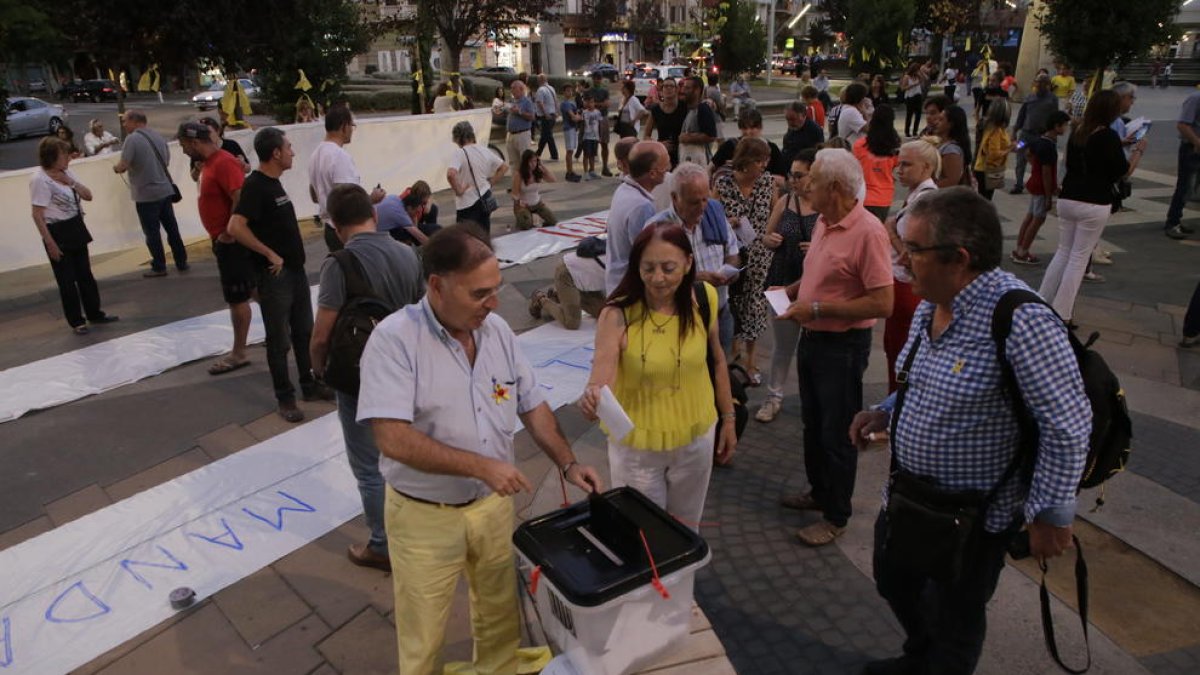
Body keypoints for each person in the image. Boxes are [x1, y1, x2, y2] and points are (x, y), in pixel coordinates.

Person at [852, 187, 1091, 675]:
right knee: (893, 579)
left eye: (912, 249)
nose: (901, 259)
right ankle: (919, 656)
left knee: (956, 619)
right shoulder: (928, 304)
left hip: (973, 517)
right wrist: (886, 410)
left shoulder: (1021, 321)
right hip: (907, 497)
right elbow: (922, 381)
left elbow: (1067, 426)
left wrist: (1052, 515)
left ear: (958, 258)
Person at [358, 225, 601, 674]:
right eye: (479, 294)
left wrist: (568, 464)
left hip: (490, 507)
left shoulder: (497, 333)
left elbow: (532, 404)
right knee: (423, 629)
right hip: (423, 515)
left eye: (496, 290)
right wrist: (482, 466)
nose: (492, 304)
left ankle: (498, 668)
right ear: (437, 285)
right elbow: (391, 437)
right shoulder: (394, 341)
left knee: (497, 611)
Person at [580, 222, 737, 522]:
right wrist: (593, 398)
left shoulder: (704, 298)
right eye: (648, 268)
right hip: (638, 448)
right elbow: (601, 380)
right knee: (643, 535)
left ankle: (683, 573)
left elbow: (717, 361)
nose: (658, 278)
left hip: (696, 437)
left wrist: (728, 418)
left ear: (688, 263)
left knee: (686, 528)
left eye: (668, 268)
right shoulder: (617, 314)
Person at [777, 148, 893, 547]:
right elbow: (819, 272)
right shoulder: (827, 221)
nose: (807, 190)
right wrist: (792, 291)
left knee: (838, 431)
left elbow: (883, 302)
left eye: (815, 184)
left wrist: (819, 307)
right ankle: (819, 491)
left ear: (838, 188)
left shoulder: (868, 231)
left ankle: (836, 515)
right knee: (814, 424)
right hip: (814, 337)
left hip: (842, 346)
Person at [310, 184, 424, 573]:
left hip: (360, 377)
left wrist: (318, 369)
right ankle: (418, 531)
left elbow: (322, 333)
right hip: (406, 371)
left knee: (369, 465)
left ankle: (382, 545)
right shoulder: (408, 253)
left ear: (337, 226)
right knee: (407, 456)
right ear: (373, 215)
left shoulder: (338, 264)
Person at [228, 127, 333, 423]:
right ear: (275, 153)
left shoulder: (274, 184)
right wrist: (268, 253)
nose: (292, 152)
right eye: (288, 147)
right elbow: (235, 227)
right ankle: (285, 397)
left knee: (303, 332)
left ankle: (309, 385)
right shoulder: (256, 186)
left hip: (295, 272)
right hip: (276, 276)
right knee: (279, 339)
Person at [1038, 91, 1143, 324]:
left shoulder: (1078, 130)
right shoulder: (1108, 136)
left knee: (1063, 251)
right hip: (1094, 201)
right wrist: (1138, 152)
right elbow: (1122, 171)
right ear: (1111, 111)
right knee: (1079, 257)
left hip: (1069, 196)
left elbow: (1070, 162)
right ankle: (1062, 312)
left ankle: (1041, 301)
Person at [177, 122, 254, 375]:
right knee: (250, 291)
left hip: (230, 242)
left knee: (238, 297)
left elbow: (239, 195)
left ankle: (240, 351)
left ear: (195, 143)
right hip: (223, 240)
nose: (184, 151)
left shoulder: (223, 162)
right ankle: (281, 331)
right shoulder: (209, 164)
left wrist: (230, 233)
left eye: (184, 146)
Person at [646, 162, 741, 351]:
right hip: (679, 319)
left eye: (705, 199)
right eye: (693, 202)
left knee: (720, 371)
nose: (702, 207)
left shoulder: (715, 213)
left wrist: (730, 271)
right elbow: (649, 280)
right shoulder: (657, 229)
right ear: (674, 198)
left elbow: (732, 253)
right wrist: (696, 279)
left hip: (719, 314)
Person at [30, 137, 118, 335]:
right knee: (67, 280)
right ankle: (76, 320)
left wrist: (70, 182)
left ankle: (95, 312)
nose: (68, 159)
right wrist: (50, 242)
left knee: (85, 274)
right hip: (57, 230)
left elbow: (88, 195)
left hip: (75, 226)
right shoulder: (39, 179)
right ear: (52, 157)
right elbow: (37, 215)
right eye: (64, 155)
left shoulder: (66, 173)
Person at [756, 150, 819, 423]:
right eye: (791, 174)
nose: (792, 180)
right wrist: (770, 240)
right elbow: (766, 235)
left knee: (814, 345)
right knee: (783, 346)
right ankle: (774, 396)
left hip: (812, 284)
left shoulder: (824, 206)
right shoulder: (786, 201)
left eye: (798, 175)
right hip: (781, 280)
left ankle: (814, 397)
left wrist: (816, 249)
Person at [716, 138, 777, 385]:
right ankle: (733, 356)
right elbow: (711, 214)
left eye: (765, 161)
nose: (763, 166)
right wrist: (726, 222)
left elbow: (776, 213)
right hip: (732, 254)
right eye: (759, 161)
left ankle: (752, 361)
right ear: (746, 161)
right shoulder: (723, 183)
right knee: (732, 304)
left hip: (760, 255)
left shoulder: (767, 183)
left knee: (754, 307)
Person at [881, 138, 940, 392]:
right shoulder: (919, 196)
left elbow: (910, 255)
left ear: (926, 168)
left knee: (901, 355)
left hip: (907, 287)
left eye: (906, 165)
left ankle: (896, 411)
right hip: (902, 286)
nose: (899, 170)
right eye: (898, 164)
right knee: (896, 352)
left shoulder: (925, 201)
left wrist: (891, 230)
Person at [113, 110, 188, 277]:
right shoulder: (157, 136)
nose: (123, 125)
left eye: (125, 121)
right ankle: (181, 261)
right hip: (165, 190)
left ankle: (159, 265)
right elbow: (166, 161)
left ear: (134, 121)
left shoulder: (132, 139)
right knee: (172, 228)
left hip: (146, 193)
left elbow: (123, 165)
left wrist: (116, 168)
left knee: (152, 232)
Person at [308, 104, 386, 253]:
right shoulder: (338, 156)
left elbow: (314, 195)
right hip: (347, 231)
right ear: (344, 126)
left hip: (331, 228)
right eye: (352, 125)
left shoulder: (315, 154)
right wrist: (372, 198)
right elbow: (349, 203)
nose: (352, 130)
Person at [605, 141, 671, 293]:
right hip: (630, 289)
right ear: (653, 173)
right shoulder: (641, 206)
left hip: (616, 281)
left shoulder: (624, 189)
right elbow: (648, 255)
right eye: (665, 167)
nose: (668, 170)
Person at [1013, 111, 1071, 264]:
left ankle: (1019, 248)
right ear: (1056, 126)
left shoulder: (1040, 140)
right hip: (1041, 187)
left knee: (1030, 216)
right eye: (1065, 125)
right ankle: (1023, 252)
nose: (1066, 128)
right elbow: (1046, 172)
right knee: (1038, 219)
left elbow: (1027, 151)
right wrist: (1048, 196)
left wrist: (1034, 166)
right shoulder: (1049, 146)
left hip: (1034, 182)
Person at [447, 120, 508, 240]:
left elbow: (450, 174)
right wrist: (491, 182)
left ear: (459, 138)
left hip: (467, 202)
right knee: (484, 235)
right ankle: (485, 256)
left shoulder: (460, 153)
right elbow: (504, 167)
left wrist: (459, 190)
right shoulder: (484, 150)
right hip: (485, 197)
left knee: (466, 239)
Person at [529, 251, 607, 330]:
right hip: (567, 274)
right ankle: (540, 299)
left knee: (605, 314)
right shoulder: (616, 264)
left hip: (586, 280)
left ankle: (561, 295)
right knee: (572, 323)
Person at [1010, 73, 1057, 194]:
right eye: (1037, 82)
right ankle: (1018, 184)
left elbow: (1055, 118)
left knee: (1038, 161)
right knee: (1020, 158)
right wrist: (1014, 131)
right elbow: (1022, 115)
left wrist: (1053, 134)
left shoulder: (1052, 99)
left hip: (1040, 136)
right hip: (1025, 134)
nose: (1039, 85)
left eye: (1043, 82)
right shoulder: (1030, 97)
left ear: (1047, 85)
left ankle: (1038, 184)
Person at [853, 105, 901, 222]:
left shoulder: (859, 145)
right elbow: (896, 174)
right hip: (884, 197)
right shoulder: (895, 148)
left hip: (862, 196)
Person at [1164, 86, 1200, 240]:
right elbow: (1183, 125)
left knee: (1191, 187)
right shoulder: (1195, 98)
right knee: (1186, 186)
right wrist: (1197, 142)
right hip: (1192, 149)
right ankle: (1172, 222)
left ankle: (1176, 221)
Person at [711, 108, 785, 181]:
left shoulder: (772, 148)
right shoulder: (729, 146)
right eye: (744, 128)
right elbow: (711, 167)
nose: (748, 132)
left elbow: (782, 178)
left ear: (760, 127)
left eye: (752, 128)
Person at [376, 186, 442, 247]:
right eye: (416, 212)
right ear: (409, 208)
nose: (416, 214)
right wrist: (433, 248)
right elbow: (420, 237)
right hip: (379, 234)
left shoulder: (394, 198)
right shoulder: (401, 215)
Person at [643, 78, 687, 166]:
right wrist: (658, 144)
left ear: (676, 89)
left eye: (671, 86)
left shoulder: (684, 107)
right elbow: (646, 136)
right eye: (665, 86)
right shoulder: (656, 110)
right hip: (663, 154)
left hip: (683, 153)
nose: (668, 88)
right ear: (661, 90)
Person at [973, 99, 1012, 201]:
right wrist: (1010, 149)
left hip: (981, 166)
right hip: (988, 169)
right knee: (985, 200)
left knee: (982, 199)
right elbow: (993, 154)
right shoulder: (996, 131)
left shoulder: (987, 125)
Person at [677, 76, 719, 166]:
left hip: (699, 163)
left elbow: (711, 136)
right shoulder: (686, 109)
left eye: (687, 88)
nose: (683, 91)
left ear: (697, 90)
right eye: (683, 87)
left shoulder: (703, 109)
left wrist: (688, 138)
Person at [512, 149, 558, 230]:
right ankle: (524, 218)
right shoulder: (519, 174)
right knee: (526, 225)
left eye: (535, 161)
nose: (533, 164)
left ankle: (533, 218)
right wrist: (518, 208)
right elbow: (515, 193)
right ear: (525, 162)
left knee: (553, 221)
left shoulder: (538, 172)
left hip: (537, 203)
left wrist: (543, 167)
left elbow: (553, 180)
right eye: (531, 162)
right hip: (524, 205)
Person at [931, 105, 973, 188]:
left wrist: (927, 189)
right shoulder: (941, 144)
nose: (936, 122)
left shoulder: (950, 150)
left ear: (950, 124)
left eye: (941, 120)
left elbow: (951, 181)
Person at [779, 101, 825, 172]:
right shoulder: (794, 127)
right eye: (787, 119)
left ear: (803, 115)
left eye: (793, 119)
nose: (789, 123)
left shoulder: (814, 130)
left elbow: (816, 154)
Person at [587, 72, 614, 175]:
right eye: (595, 78)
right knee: (592, 144)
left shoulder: (604, 91)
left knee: (604, 143)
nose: (597, 80)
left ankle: (605, 166)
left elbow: (607, 104)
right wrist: (600, 104)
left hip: (603, 118)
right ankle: (592, 168)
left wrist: (594, 104)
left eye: (599, 78)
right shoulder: (588, 91)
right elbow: (586, 105)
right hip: (592, 119)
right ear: (592, 79)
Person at [505, 80, 536, 168]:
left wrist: (520, 112)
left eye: (514, 88)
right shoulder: (512, 101)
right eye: (511, 88)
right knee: (513, 163)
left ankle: (527, 180)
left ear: (522, 89)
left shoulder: (527, 102)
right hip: (510, 135)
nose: (512, 90)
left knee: (525, 161)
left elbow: (532, 117)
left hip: (522, 135)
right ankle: (516, 181)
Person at [559, 82, 583, 182]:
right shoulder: (565, 103)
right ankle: (569, 172)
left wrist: (578, 116)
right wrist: (578, 117)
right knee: (569, 151)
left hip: (573, 128)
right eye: (567, 91)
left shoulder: (572, 102)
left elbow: (577, 114)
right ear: (564, 92)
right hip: (568, 128)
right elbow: (573, 117)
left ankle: (571, 171)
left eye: (571, 90)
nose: (570, 92)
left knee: (572, 150)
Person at [533, 74, 559, 161]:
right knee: (545, 135)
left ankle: (554, 155)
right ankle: (538, 154)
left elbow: (540, 103)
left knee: (547, 135)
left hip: (546, 116)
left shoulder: (541, 90)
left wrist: (545, 114)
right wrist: (556, 111)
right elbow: (555, 100)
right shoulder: (551, 88)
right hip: (552, 114)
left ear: (540, 80)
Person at [580, 93, 603, 180]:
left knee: (593, 155)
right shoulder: (584, 113)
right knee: (586, 155)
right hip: (587, 137)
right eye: (588, 102)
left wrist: (600, 136)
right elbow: (582, 126)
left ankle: (592, 171)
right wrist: (581, 137)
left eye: (592, 102)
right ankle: (586, 172)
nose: (590, 104)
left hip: (595, 137)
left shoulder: (598, 112)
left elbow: (600, 125)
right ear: (586, 103)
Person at [901, 64, 925, 137]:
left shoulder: (918, 76)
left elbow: (924, 80)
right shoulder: (907, 77)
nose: (917, 72)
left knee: (918, 114)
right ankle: (907, 131)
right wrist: (913, 84)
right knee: (909, 114)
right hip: (910, 96)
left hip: (918, 95)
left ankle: (915, 131)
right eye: (916, 70)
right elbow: (903, 88)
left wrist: (920, 75)